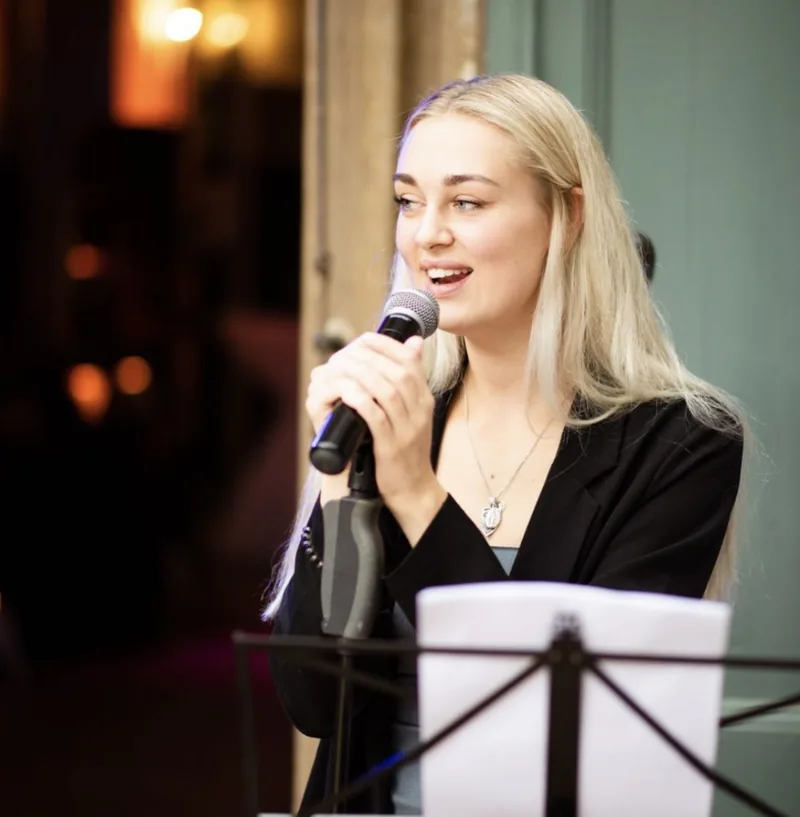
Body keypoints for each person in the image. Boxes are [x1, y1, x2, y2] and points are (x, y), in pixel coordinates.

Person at [263, 74, 747, 815]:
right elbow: (312, 701)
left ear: (566, 215)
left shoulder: (682, 445)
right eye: (408, 199)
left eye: (467, 201)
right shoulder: (390, 421)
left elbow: (558, 725)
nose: (427, 234)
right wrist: (340, 488)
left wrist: (419, 495)